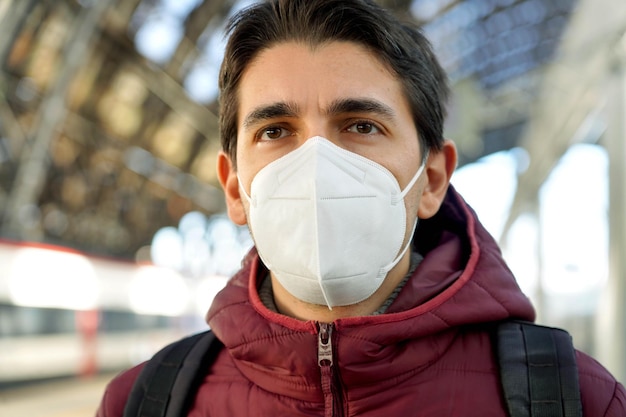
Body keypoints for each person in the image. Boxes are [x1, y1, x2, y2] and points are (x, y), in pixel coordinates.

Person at [97, 0, 626, 415]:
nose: (316, 162)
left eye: (361, 125)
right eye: (276, 131)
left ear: (432, 179)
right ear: (235, 189)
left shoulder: (577, 400)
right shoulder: (143, 402)